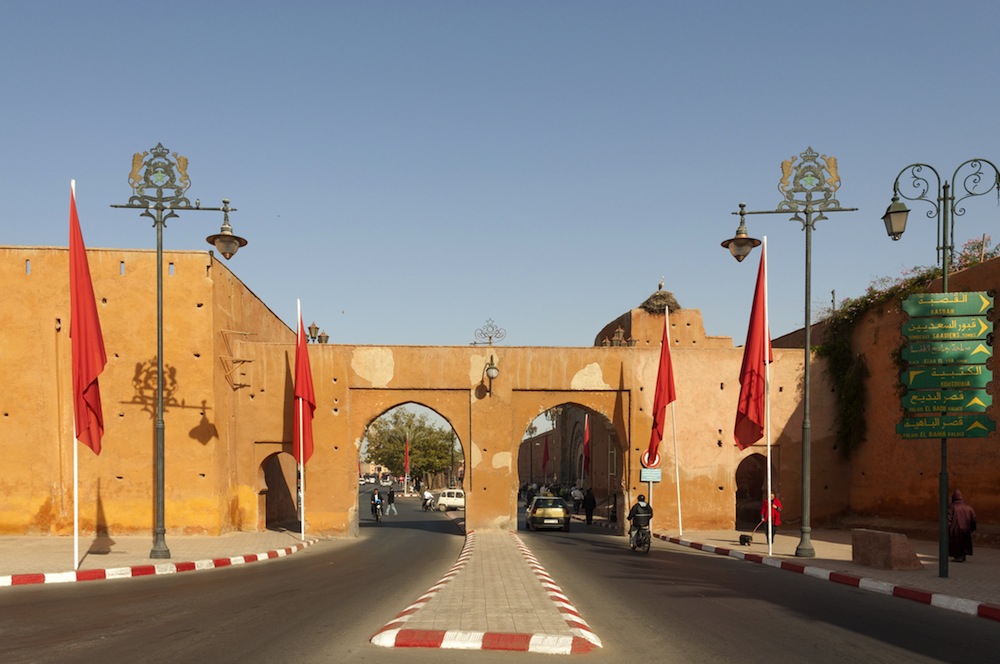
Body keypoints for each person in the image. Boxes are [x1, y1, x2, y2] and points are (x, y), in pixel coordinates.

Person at [948, 489, 976, 562]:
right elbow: (973, 518)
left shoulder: (952, 506)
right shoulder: (968, 507)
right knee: (964, 541)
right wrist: (973, 528)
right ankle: (963, 555)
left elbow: (948, 517)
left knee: (956, 542)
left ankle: (958, 556)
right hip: (966, 529)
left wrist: (947, 527)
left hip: (955, 528)